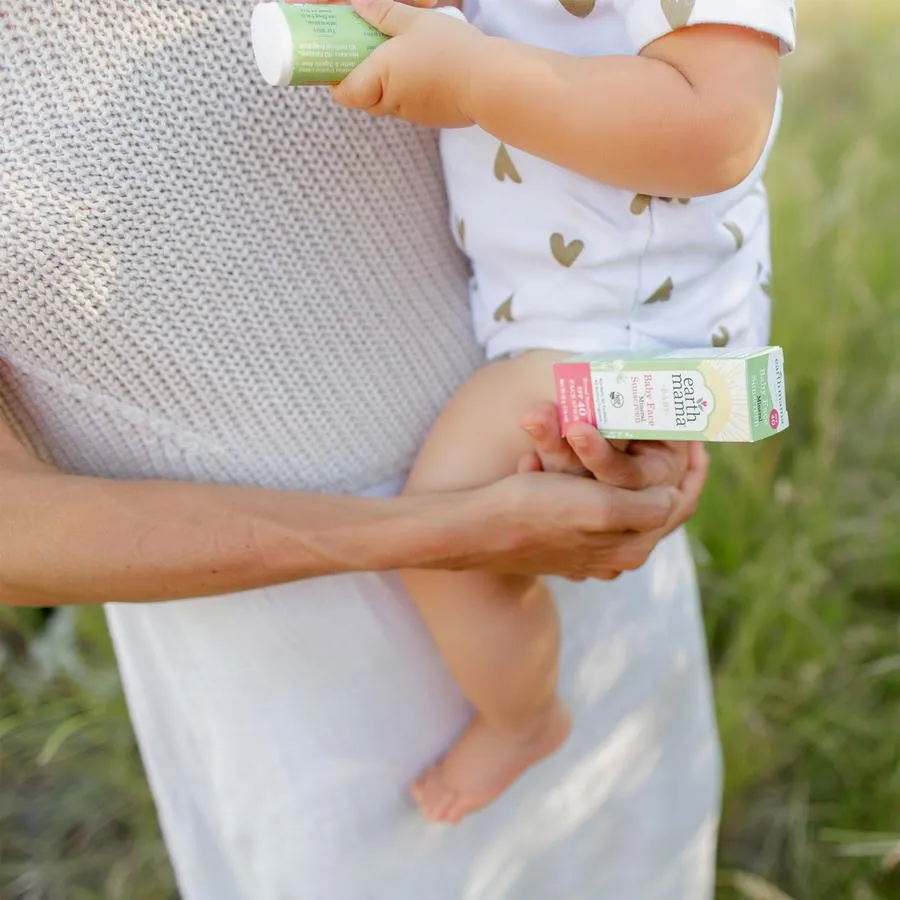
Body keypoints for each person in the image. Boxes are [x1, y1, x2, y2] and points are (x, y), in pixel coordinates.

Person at [3, 2, 714, 898]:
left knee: (626, 855)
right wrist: (439, 533)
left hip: (553, 485)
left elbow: (628, 86)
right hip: (257, 615)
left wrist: (660, 358)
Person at [324, 0, 796, 824]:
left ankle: (524, 720)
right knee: (480, 524)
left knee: (442, 530)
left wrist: (473, 76)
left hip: (628, 332)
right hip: (582, 319)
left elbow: (718, 131)